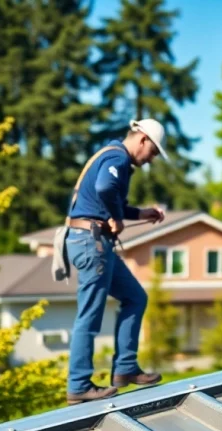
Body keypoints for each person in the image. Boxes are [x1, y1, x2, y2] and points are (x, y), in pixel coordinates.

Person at [63, 119, 169, 405]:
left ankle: (125, 368)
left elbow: (110, 200)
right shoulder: (117, 157)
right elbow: (104, 188)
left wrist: (140, 213)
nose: (150, 160)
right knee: (90, 314)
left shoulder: (112, 156)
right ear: (143, 139)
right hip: (91, 242)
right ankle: (78, 385)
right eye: (154, 152)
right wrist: (115, 218)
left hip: (94, 242)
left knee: (135, 297)